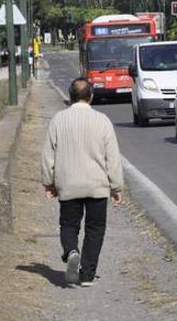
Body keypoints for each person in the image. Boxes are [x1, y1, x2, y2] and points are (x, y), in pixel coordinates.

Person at [41, 78, 124, 286]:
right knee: (95, 229)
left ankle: (71, 251)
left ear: (70, 96)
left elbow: (48, 155)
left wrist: (49, 183)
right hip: (97, 184)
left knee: (69, 224)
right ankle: (87, 274)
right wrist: (116, 186)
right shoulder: (102, 120)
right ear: (91, 96)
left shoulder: (58, 120)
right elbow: (112, 157)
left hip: (68, 183)